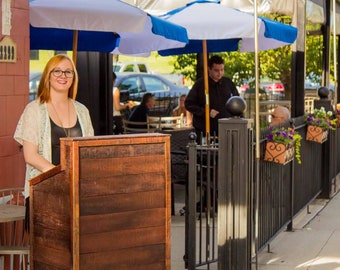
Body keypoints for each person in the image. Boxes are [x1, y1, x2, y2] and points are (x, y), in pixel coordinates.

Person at [14, 54, 94, 231]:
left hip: (76, 193)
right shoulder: (34, 109)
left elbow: (88, 152)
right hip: (43, 192)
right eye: (57, 71)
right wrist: (60, 177)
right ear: (47, 76)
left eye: (68, 72)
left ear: (74, 78)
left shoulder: (82, 110)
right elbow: (30, 155)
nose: (62, 76)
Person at [185, 55, 239, 141]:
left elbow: (237, 102)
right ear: (209, 69)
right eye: (216, 70)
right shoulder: (201, 84)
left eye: (222, 70)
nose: (220, 73)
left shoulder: (228, 83)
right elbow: (189, 104)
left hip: (225, 129)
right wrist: (206, 112)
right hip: (205, 130)